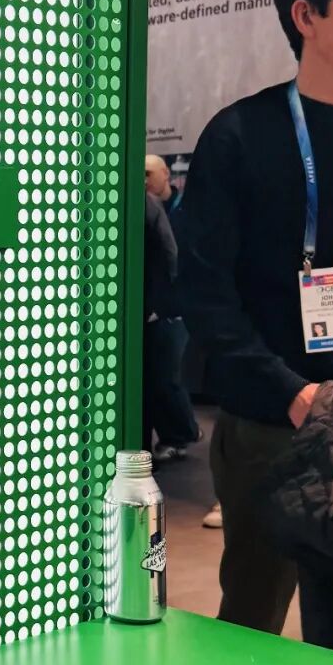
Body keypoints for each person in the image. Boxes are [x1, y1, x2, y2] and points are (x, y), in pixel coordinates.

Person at [179, 0, 333, 644]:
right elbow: (204, 290)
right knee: (252, 623)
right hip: (272, 420)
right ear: (306, 15)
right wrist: (289, 392)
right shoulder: (240, 135)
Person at [143, 155, 200, 461]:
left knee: (166, 377)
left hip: (170, 306)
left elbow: (174, 256)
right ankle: (181, 432)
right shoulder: (151, 206)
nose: (144, 180)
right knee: (160, 376)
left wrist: (171, 303)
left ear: (166, 173)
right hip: (159, 305)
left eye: (148, 173)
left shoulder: (184, 209)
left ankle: (181, 433)